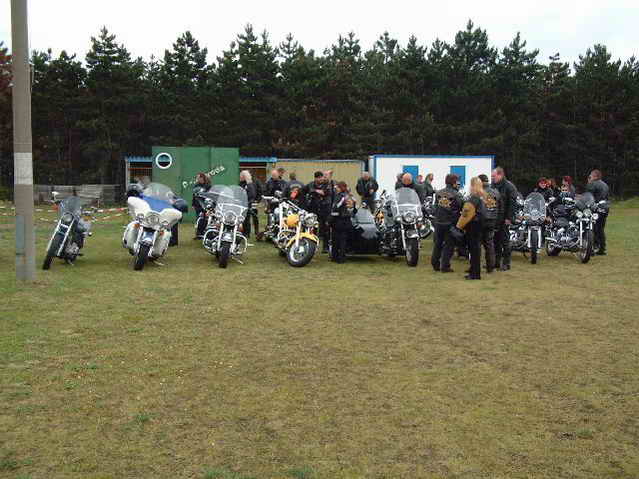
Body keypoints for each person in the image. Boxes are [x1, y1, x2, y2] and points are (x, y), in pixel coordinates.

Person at [431, 174, 464, 273]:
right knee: (449, 245)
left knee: (438, 243)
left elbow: (435, 207)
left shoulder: (438, 193)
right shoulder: (457, 194)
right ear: (454, 183)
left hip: (439, 222)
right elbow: (462, 206)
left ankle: (435, 263)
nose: (458, 184)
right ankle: (445, 266)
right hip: (450, 223)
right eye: (457, 182)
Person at [455, 177, 486, 280]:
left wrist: (459, 226)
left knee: (474, 250)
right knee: (476, 250)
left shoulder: (473, 199)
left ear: (473, 186)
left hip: (473, 226)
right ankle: (474, 270)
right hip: (480, 225)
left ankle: (475, 273)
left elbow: (466, 214)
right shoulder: (482, 197)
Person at [491, 167, 518, 271]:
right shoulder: (493, 186)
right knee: (495, 241)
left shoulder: (509, 187)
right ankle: (496, 262)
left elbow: (512, 204)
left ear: (500, 175)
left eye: (494, 176)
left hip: (504, 218)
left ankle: (506, 263)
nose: (492, 178)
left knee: (505, 241)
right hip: (495, 218)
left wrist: (509, 218)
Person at [305, 171, 333, 253]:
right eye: (319, 178)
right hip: (314, 209)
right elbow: (303, 191)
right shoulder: (310, 184)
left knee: (325, 229)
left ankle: (325, 247)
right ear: (315, 178)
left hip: (325, 209)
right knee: (313, 228)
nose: (321, 179)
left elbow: (325, 192)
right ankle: (312, 247)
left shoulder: (327, 184)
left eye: (322, 177)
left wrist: (314, 191)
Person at [479, 174, 500, 273]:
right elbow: (500, 207)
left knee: (476, 244)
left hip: (480, 221)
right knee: (489, 244)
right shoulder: (496, 192)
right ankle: (490, 267)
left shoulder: (479, 192)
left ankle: (475, 267)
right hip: (492, 220)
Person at [586, 169, 610, 255]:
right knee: (600, 229)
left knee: (591, 228)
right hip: (605, 208)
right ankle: (602, 249)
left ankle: (592, 248)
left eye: (591, 175)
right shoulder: (605, 185)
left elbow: (588, 196)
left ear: (595, 176)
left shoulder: (592, 184)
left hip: (595, 208)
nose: (589, 176)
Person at [330, 181, 355, 263]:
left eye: (337, 187)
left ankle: (336, 257)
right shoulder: (350, 196)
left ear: (340, 188)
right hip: (347, 220)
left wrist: (330, 219)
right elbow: (354, 209)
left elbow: (335, 207)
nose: (336, 188)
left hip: (338, 220)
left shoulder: (340, 196)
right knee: (343, 240)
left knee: (336, 240)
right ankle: (342, 257)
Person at [239, 170, 258, 239]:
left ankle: (247, 233)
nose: (240, 177)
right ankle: (242, 232)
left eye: (241, 176)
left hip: (247, 204)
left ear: (244, 177)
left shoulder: (249, 184)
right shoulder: (241, 183)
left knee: (246, 219)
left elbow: (252, 194)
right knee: (242, 219)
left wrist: (249, 202)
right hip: (241, 203)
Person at [192, 172, 211, 239]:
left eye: (198, 177)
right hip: (197, 205)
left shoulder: (208, 185)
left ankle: (204, 233)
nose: (197, 179)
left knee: (205, 219)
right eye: (197, 177)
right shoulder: (196, 185)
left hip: (205, 205)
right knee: (198, 218)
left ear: (202, 178)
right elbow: (194, 195)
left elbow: (210, 195)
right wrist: (193, 204)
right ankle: (198, 234)